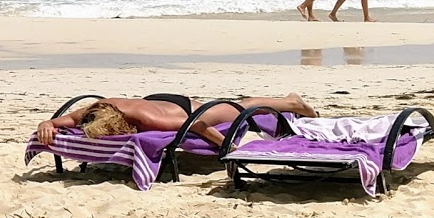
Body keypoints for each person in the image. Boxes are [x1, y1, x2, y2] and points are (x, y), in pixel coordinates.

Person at [34, 93, 316, 148]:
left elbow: (195, 125)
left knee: (240, 107)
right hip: (154, 98)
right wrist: (45, 125)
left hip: (182, 109)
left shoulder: (146, 120)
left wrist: (227, 150)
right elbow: (56, 121)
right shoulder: (95, 110)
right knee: (237, 105)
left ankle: (291, 103)